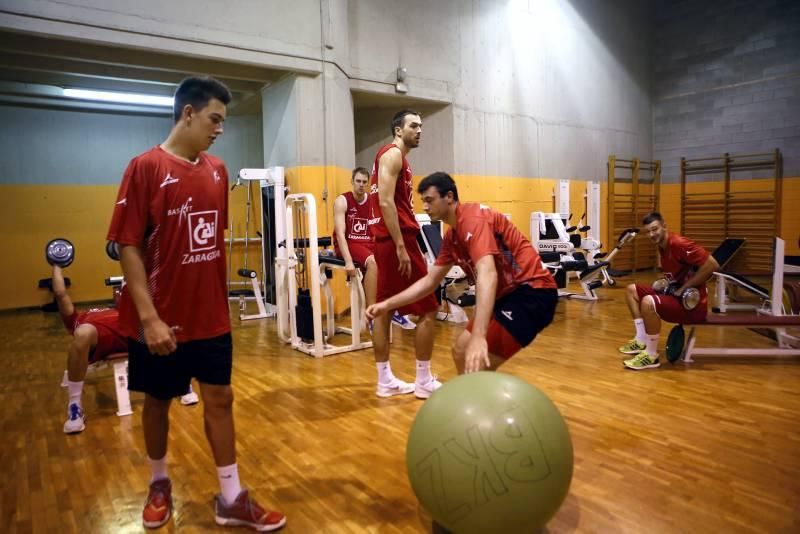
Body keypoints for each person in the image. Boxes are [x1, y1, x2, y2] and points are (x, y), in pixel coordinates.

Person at [106, 77, 285, 531]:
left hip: (211, 317)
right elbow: (128, 246)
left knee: (221, 398)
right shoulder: (144, 167)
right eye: (214, 118)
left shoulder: (218, 170)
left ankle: (231, 497)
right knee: (158, 402)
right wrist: (149, 319)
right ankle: (159, 483)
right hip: (160, 320)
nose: (219, 128)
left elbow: (206, 244)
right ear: (188, 113)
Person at [366, 172, 558, 374]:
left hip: (533, 292)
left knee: (477, 363)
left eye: (430, 200)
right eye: (423, 201)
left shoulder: (473, 219)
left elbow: (488, 273)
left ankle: (481, 402)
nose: (425, 207)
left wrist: (479, 336)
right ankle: (471, 399)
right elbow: (430, 282)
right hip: (505, 295)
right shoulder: (452, 237)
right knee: (460, 351)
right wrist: (388, 304)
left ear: (449, 197)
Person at [53, 264, 199, 435]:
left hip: (132, 326)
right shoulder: (78, 319)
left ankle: (182, 383)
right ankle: (75, 407)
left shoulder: (122, 309)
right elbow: (60, 293)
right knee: (83, 333)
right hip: (100, 337)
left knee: (163, 320)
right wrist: (57, 265)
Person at [367, 110, 441, 398]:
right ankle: (423, 380)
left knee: (384, 310)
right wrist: (400, 245)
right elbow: (385, 202)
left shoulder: (396, 158)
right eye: (413, 126)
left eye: (421, 126)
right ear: (398, 130)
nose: (419, 130)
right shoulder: (393, 155)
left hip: (387, 240)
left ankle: (384, 380)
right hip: (396, 241)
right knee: (429, 309)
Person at [619, 212, 719, 370]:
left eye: (655, 229)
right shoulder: (662, 246)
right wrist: (666, 284)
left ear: (664, 226)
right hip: (676, 296)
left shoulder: (679, 244)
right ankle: (641, 339)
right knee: (632, 290)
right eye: (648, 231)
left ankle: (651, 356)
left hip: (693, 306)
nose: (652, 234)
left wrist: (684, 288)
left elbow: (713, 265)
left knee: (648, 302)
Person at [333, 167, 415, 331]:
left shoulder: (372, 200)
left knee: (396, 258)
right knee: (372, 262)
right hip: (348, 243)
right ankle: (372, 314)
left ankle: (394, 309)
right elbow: (341, 235)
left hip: (368, 243)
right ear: (352, 181)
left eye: (364, 182)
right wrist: (348, 262)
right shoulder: (342, 201)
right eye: (358, 181)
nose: (361, 185)